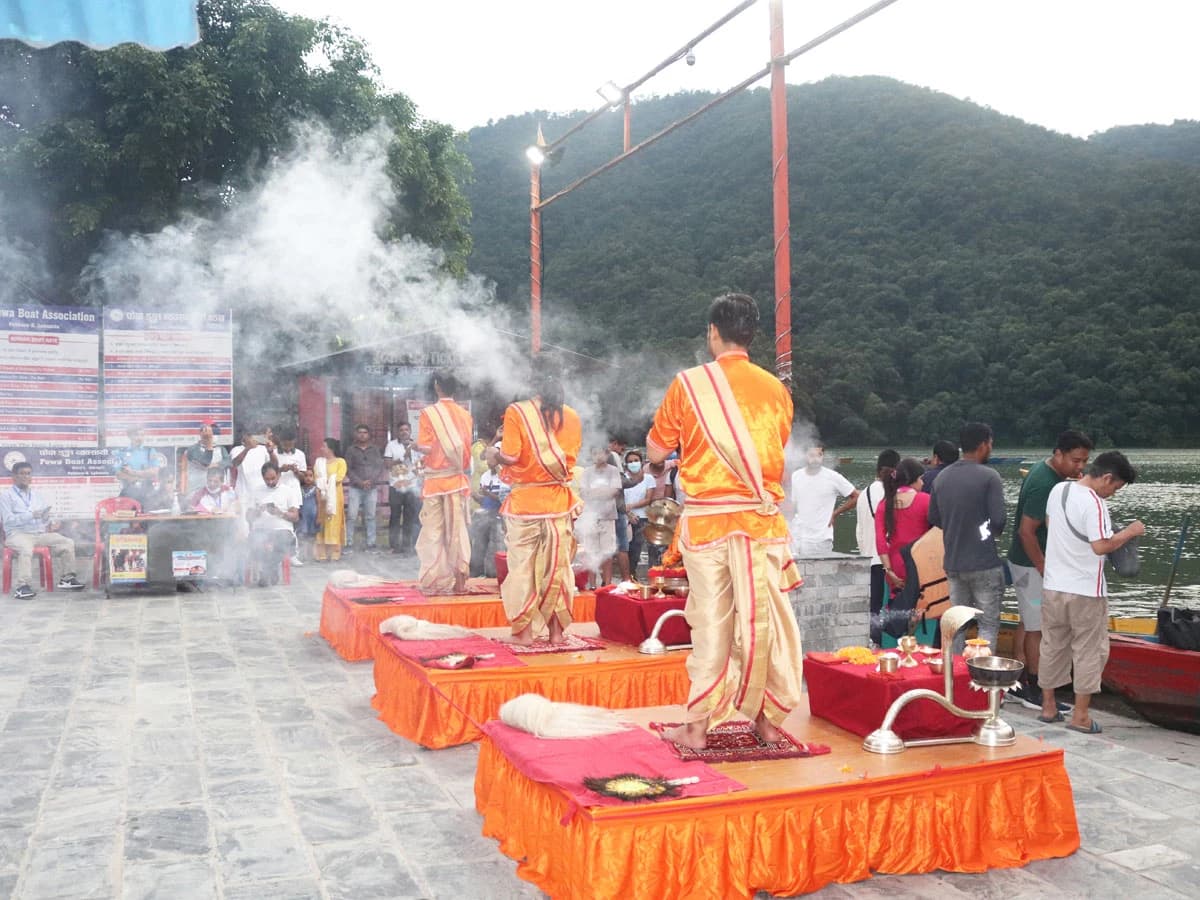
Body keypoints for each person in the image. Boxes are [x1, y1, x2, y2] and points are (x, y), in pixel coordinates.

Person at [647, 293, 804, 750]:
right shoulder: (777, 389)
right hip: (762, 526)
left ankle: (698, 727)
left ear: (713, 332)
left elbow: (657, 451)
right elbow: (772, 450)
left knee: (712, 622)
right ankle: (768, 719)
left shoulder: (689, 384)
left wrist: (666, 459)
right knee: (765, 622)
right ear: (751, 335)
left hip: (711, 525)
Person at [1040, 451, 1144, 733]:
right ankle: (1081, 716)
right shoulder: (1095, 503)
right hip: (1086, 589)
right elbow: (1101, 546)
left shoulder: (1058, 489)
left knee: (1052, 644)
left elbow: (1051, 525)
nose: (1113, 493)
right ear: (1107, 478)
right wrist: (1131, 532)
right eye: (1115, 488)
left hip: (1053, 586)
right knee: (1089, 650)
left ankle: (1048, 707)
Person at [487, 369, 582, 645]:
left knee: (523, 569)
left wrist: (493, 454)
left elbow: (512, 456)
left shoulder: (518, 411)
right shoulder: (572, 416)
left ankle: (524, 633)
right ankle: (556, 633)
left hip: (525, 505)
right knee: (557, 569)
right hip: (559, 504)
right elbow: (571, 462)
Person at [1006, 429, 1094, 710]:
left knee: (1026, 621)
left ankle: (1016, 682)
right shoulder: (1044, 484)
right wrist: (1044, 568)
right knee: (1037, 628)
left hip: (1027, 564)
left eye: (1084, 462)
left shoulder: (1049, 473)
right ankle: (1036, 688)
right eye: (1075, 460)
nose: (1080, 467)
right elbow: (1026, 532)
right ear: (1058, 454)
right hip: (1031, 566)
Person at [927, 422, 1006, 653]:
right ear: (983, 444)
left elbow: (934, 517)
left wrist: (957, 528)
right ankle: (982, 681)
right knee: (988, 624)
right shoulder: (989, 477)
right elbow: (998, 520)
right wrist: (985, 532)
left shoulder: (942, 478)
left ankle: (954, 679)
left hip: (953, 564)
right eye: (990, 443)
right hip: (983, 563)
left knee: (957, 625)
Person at [414, 371, 474, 594]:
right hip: (456, 480)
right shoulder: (465, 414)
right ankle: (459, 583)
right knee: (456, 531)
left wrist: (414, 447)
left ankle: (433, 582)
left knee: (433, 531)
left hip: (435, 483)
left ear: (437, 386)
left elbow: (427, 447)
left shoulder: (429, 413)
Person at [0, 462, 86, 598]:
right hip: (17, 534)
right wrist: (30, 515)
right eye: (22, 473)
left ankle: (67, 579)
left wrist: (50, 521)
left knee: (66, 542)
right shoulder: (6, 496)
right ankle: (23, 586)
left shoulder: (36, 495)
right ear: (14, 476)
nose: (25, 477)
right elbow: (8, 520)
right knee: (25, 548)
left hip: (38, 534)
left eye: (28, 473)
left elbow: (43, 517)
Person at [874, 457, 936, 646]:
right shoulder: (925, 500)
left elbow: (880, 541)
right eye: (921, 479)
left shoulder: (884, 504)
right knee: (921, 610)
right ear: (914, 479)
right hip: (920, 567)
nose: (923, 483)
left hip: (894, 567)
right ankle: (915, 648)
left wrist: (889, 571)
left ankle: (895, 650)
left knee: (897, 607)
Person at [788, 442, 858, 557]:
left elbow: (856, 496)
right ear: (805, 456)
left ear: (823, 456)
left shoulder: (832, 477)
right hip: (798, 538)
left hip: (821, 539)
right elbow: (794, 504)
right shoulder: (796, 476)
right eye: (812, 455)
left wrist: (835, 514)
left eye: (819, 455)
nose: (815, 459)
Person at [856, 449, 900, 625]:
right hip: (887, 561)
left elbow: (859, 530)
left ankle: (873, 643)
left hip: (868, 558)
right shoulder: (892, 494)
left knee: (872, 610)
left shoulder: (863, 494)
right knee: (889, 610)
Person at [246, 461, 300, 586]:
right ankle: (270, 571)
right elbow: (248, 517)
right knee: (255, 541)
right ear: (262, 477)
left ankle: (266, 572)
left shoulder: (288, 491)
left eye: (273, 478)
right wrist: (257, 512)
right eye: (267, 479)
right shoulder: (256, 491)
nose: (270, 482)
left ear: (279, 475)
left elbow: (295, 517)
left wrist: (280, 513)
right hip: (261, 530)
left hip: (282, 530)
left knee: (280, 541)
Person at [576, 447, 622, 588]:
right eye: (594, 453)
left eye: (601, 452)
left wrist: (594, 492)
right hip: (590, 516)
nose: (598, 456)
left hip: (608, 517)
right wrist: (602, 492)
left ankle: (607, 584)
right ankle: (592, 584)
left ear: (607, 454)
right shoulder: (587, 472)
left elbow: (614, 491)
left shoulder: (613, 471)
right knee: (590, 552)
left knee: (607, 553)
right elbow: (583, 492)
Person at [345, 424, 386, 553]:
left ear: (369, 435)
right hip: (355, 488)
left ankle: (371, 544)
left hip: (371, 487)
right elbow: (348, 469)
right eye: (360, 432)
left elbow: (379, 467)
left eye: (365, 432)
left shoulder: (375, 450)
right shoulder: (351, 450)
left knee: (370, 516)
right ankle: (349, 543)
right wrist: (360, 482)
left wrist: (370, 481)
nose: (362, 434)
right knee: (351, 516)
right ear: (356, 435)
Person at [384, 422, 423, 555]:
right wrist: (403, 457)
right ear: (397, 432)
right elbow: (388, 464)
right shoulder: (391, 445)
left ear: (410, 431)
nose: (404, 432)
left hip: (412, 486)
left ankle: (407, 545)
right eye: (401, 430)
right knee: (395, 516)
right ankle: (394, 546)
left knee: (410, 517)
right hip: (396, 485)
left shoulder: (416, 445)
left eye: (406, 429)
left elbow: (422, 464)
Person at [469, 456, 506, 578]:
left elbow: (505, 499)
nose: (488, 462)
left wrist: (487, 494)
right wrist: (475, 496)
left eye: (491, 459)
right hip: (484, 514)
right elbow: (483, 499)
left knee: (496, 547)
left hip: (499, 516)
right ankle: (475, 571)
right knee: (478, 545)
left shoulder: (505, 476)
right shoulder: (485, 476)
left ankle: (493, 574)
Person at [111, 426, 167, 507]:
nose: (140, 438)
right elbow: (119, 474)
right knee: (125, 518)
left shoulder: (150, 451)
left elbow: (154, 472)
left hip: (147, 494)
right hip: (128, 492)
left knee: (149, 518)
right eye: (136, 435)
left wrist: (132, 472)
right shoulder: (121, 452)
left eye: (142, 435)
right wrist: (143, 475)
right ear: (129, 436)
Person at [622, 449, 656, 577]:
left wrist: (632, 506)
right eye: (630, 461)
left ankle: (634, 575)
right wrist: (628, 514)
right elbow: (619, 499)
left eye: (636, 460)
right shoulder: (623, 478)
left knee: (637, 548)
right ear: (626, 464)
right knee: (625, 549)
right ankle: (626, 576)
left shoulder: (648, 478)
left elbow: (648, 499)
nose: (633, 463)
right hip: (625, 518)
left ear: (641, 462)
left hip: (642, 518)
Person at [312, 438, 346, 562]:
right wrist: (323, 483)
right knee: (322, 523)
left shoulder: (340, 462)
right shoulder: (319, 462)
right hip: (322, 495)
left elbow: (339, 477)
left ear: (331, 449)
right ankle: (321, 554)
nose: (322, 448)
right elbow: (317, 477)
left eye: (324, 446)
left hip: (335, 497)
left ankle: (334, 553)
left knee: (333, 524)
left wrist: (327, 481)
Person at [230, 426, 273, 509]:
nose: (252, 438)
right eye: (249, 436)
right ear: (244, 437)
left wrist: (271, 451)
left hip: (261, 492)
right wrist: (247, 448)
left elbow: (273, 466)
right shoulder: (236, 449)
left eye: (253, 436)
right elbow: (235, 463)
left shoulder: (263, 449)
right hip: (243, 494)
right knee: (242, 521)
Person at [182, 423, 231, 493]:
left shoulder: (221, 448)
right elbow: (205, 462)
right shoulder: (193, 449)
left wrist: (216, 465)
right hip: (197, 490)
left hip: (217, 491)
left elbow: (228, 462)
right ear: (201, 434)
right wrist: (209, 443)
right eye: (209, 433)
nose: (212, 436)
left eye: (213, 434)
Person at [297, 468, 319, 562]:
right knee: (303, 534)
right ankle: (304, 554)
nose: (308, 478)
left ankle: (313, 554)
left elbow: (319, 503)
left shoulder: (316, 489)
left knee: (312, 536)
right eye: (306, 476)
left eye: (310, 476)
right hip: (304, 516)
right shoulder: (300, 489)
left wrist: (319, 516)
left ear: (314, 477)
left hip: (313, 515)